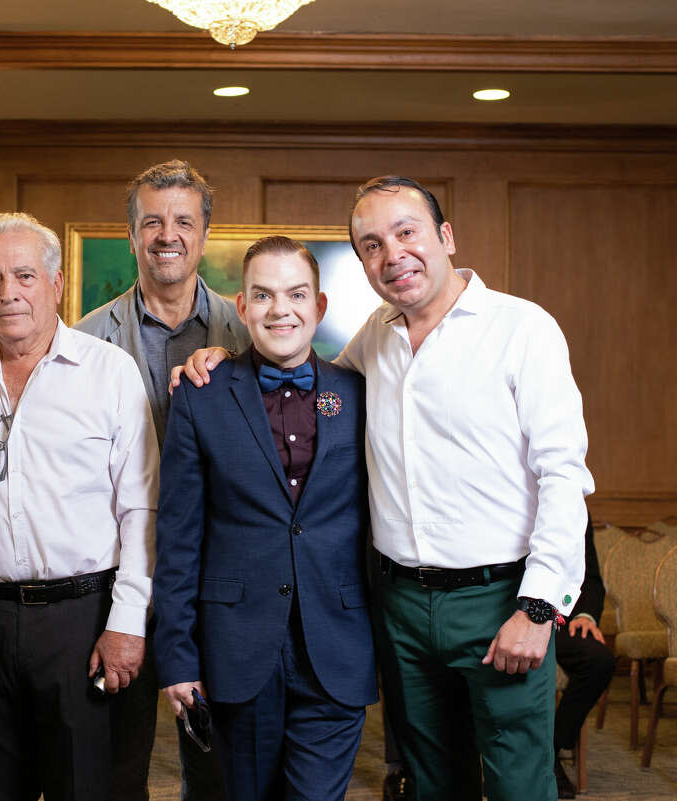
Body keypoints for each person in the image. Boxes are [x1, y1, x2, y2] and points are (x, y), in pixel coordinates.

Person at [173, 176, 594, 800]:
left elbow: (564, 474)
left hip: (500, 598)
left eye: (406, 232)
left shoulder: (521, 328)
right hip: (399, 606)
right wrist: (221, 360)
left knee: (519, 784)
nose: (392, 253)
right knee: (431, 780)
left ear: (445, 236)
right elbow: (301, 388)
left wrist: (540, 607)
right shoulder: (376, 336)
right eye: (371, 244)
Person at [0, 212, 159, 801]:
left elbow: (142, 509)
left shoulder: (108, 371)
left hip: (82, 618)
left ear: (56, 285)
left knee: (83, 787)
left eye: (24, 276)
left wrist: (126, 624)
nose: (8, 292)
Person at [154, 235, 376, 801]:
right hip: (236, 647)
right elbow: (179, 537)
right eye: (264, 295)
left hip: (337, 645)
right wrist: (177, 655)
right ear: (243, 306)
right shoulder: (199, 396)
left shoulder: (362, 394)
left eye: (297, 294)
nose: (282, 309)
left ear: (319, 307)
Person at [76, 159, 248, 801]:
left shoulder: (249, 332)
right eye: (152, 222)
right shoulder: (87, 338)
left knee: (217, 762)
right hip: (118, 575)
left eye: (182, 221)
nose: (166, 235)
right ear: (131, 236)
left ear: (204, 234)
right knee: (118, 762)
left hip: (216, 574)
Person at [553, 515, 616, 799]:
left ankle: (549, 749)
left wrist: (586, 616)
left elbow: (589, 576)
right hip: (503, 614)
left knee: (599, 659)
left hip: (559, 618)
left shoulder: (572, 503)